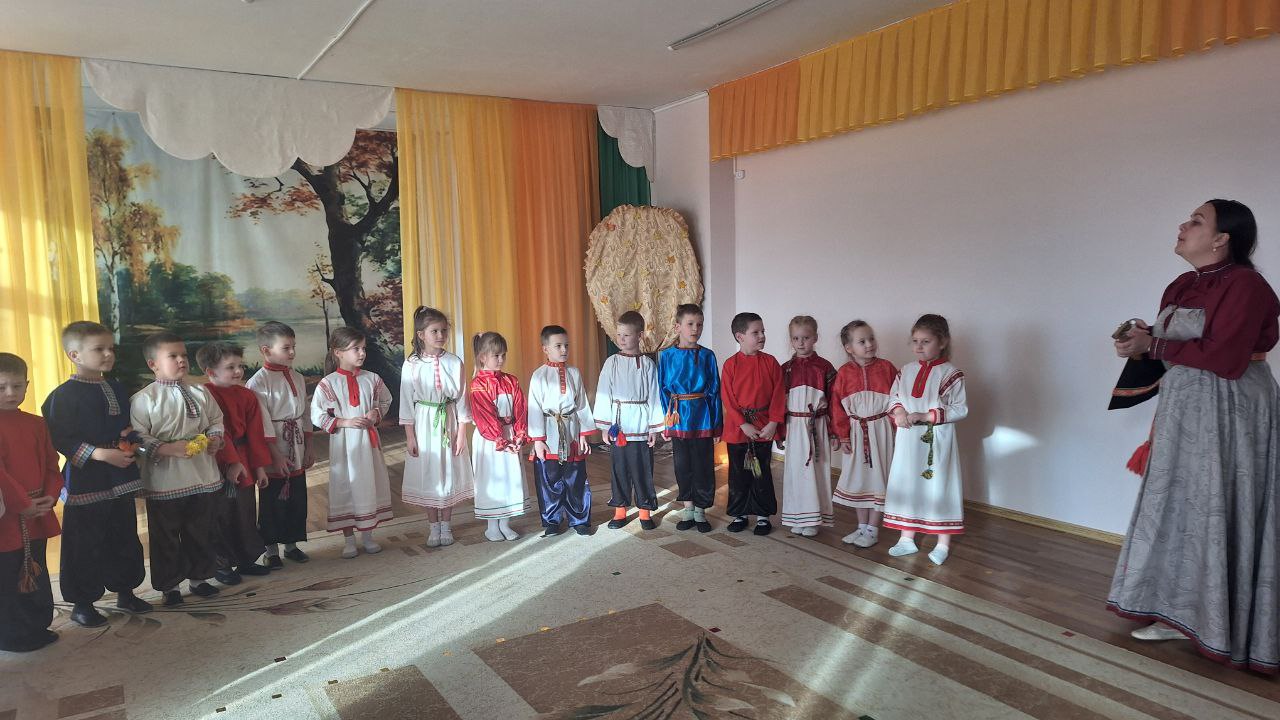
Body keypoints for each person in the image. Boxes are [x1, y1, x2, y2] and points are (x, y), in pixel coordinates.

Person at [1109, 199, 1279, 673]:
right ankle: (1178, 612)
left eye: (1197, 221)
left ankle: (1223, 621)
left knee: (1218, 504)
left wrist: (1154, 344)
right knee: (1181, 505)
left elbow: (1226, 357)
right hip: (1185, 410)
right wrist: (1140, 343)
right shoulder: (1182, 284)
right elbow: (1175, 348)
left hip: (1231, 410)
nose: (1184, 226)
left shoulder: (1246, 285)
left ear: (1222, 238)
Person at [41, 321, 150, 626]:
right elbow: (60, 437)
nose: (108, 354)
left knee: (124, 535)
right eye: (99, 349)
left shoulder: (116, 387)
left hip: (120, 476)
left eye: (110, 348)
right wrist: (100, 454)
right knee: (84, 542)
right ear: (74, 355)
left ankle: (126, 590)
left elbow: (127, 426)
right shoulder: (62, 396)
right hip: (86, 477)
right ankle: (83, 602)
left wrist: (131, 444)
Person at [130, 332, 227, 606]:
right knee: (166, 536)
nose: (182, 360)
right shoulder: (144, 399)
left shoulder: (201, 391)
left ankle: (200, 578)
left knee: (201, 530)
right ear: (153, 364)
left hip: (202, 474)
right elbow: (137, 437)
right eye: (172, 356)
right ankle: (169, 585)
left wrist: (215, 438)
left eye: (183, 355)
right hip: (165, 479)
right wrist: (166, 448)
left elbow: (216, 420)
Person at [883, 314, 967, 565]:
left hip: (936, 438)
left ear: (942, 342)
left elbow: (960, 408)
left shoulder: (951, 373)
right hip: (908, 438)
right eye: (915, 341)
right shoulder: (906, 371)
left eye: (926, 341)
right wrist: (899, 411)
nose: (919, 347)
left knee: (939, 484)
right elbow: (893, 397)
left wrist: (926, 415)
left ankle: (943, 543)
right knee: (908, 482)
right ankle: (906, 538)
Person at [312, 327, 393, 558]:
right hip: (344, 445)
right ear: (338, 352)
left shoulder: (372, 379)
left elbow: (385, 400)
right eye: (355, 349)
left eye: (363, 348)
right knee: (345, 487)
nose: (362, 353)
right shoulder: (328, 384)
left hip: (369, 445)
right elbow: (317, 415)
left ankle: (367, 537)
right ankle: (349, 540)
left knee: (368, 484)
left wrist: (376, 413)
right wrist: (344, 422)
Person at [0, 353, 62, 651]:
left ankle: (37, 624)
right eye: (1, 387)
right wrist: (21, 503)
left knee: (35, 565)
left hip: (37, 510)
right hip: (8, 514)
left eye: (16, 386)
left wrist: (51, 494)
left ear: (27, 385)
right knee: (9, 570)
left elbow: (52, 463)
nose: (10, 393)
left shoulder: (36, 423)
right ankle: (11, 633)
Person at [197, 342, 272, 585]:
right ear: (211, 371)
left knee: (245, 511)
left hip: (244, 459)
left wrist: (259, 467)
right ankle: (222, 564)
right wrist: (231, 462)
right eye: (230, 367)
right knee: (221, 514)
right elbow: (219, 432)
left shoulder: (247, 395)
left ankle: (246, 559)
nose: (238, 371)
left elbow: (255, 434)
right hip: (218, 460)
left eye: (240, 366)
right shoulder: (205, 395)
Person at [400, 306, 475, 548]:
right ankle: (433, 525)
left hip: (449, 420)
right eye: (435, 331)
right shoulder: (411, 364)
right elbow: (406, 402)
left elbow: (462, 398)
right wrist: (410, 436)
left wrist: (461, 434)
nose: (441, 335)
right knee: (429, 471)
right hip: (424, 422)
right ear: (421, 334)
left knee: (448, 470)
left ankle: (446, 524)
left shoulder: (454, 362)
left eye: (444, 330)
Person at [245, 322, 314, 568]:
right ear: (266, 351)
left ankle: (291, 545)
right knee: (273, 499)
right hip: (274, 447)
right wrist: (274, 455)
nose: (293, 352)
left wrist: (309, 446)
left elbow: (304, 413)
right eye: (286, 348)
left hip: (297, 445)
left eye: (294, 346)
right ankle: (271, 550)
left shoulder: (298, 377)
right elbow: (261, 423)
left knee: (296, 497)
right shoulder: (258, 383)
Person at [592, 311, 664, 531]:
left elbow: (654, 395)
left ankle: (644, 511)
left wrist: (654, 427)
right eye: (619, 335)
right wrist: (605, 426)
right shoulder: (611, 362)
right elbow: (604, 392)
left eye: (627, 335)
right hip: (619, 425)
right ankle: (620, 511)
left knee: (642, 470)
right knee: (620, 469)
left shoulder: (648, 364)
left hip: (641, 425)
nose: (621, 339)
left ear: (639, 335)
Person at [830, 321, 898, 548]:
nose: (869, 344)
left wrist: (897, 430)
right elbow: (837, 407)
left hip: (881, 431)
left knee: (878, 478)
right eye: (862, 341)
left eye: (871, 338)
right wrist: (843, 435)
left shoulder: (887, 368)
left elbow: (897, 400)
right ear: (849, 348)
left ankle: (872, 529)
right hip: (856, 432)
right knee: (859, 479)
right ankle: (861, 527)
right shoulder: (844, 373)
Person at [720, 312, 786, 535]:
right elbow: (728, 398)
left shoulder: (771, 362)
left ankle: (763, 516)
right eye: (755, 332)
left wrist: (774, 423)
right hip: (738, 429)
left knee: (761, 473)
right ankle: (739, 514)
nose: (762, 336)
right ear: (740, 336)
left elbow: (779, 394)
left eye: (763, 331)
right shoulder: (730, 365)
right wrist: (742, 424)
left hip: (763, 428)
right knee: (738, 474)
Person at [658, 304, 722, 533]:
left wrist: (716, 425)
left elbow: (715, 390)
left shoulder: (707, 355)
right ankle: (688, 508)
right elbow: (662, 390)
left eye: (699, 324)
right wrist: (667, 421)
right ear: (678, 327)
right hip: (678, 417)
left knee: (703, 464)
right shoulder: (667, 356)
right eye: (690, 324)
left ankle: (701, 511)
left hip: (702, 416)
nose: (696, 329)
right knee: (682, 464)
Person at [528, 325, 595, 536]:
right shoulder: (538, 376)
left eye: (566, 345)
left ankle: (579, 518)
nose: (564, 349)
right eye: (558, 346)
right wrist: (538, 440)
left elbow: (582, 404)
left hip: (571, 430)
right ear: (545, 349)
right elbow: (534, 408)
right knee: (550, 478)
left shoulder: (574, 373)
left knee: (576, 476)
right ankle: (552, 520)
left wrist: (583, 434)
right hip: (549, 431)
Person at [778, 316, 836, 537]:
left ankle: (814, 518)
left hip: (816, 426)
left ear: (815, 338)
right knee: (796, 472)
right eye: (796, 338)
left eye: (806, 337)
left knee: (816, 471)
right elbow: (778, 403)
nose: (800, 343)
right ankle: (797, 516)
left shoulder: (825, 368)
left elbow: (835, 402)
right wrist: (780, 432)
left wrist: (835, 432)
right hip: (794, 426)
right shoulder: (785, 369)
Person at [469, 332, 528, 541]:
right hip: (490, 440)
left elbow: (520, 408)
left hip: (509, 434)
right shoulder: (478, 384)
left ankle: (505, 523)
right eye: (496, 355)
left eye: (503, 355)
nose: (501, 359)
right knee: (492, 479)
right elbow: (484, 415)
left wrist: (519, 433)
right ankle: (491, 526)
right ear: (483, 357)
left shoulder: (511, 381)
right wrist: (500, 440)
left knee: (510, 478)